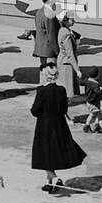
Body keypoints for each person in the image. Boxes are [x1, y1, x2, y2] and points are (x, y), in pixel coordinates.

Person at [30, 63, 87, 193]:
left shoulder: (42, 91)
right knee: (52, 153)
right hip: (59, 124)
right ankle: (49, 182)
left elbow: (35, 111)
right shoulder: (61, 90)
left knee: (44, 154)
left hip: (44, 126)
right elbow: (64, 109)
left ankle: (54, 179)